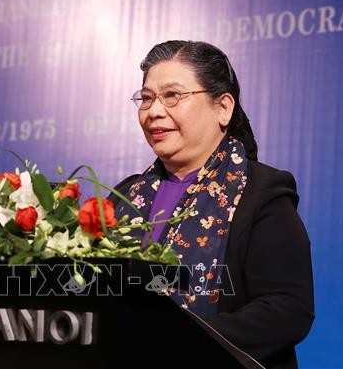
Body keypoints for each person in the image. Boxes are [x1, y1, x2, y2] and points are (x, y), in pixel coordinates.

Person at [113, 40, 314, 369]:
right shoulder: (126, 196)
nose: (154, 111)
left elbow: (287, 309)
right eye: (146, 98)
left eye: (172, 96)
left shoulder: (262, 193)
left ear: (223, 107)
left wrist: (172, 343)